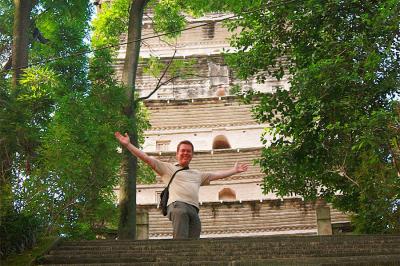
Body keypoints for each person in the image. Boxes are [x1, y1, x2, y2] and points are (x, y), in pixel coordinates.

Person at [114, 131, 249, 239]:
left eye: (188, 151)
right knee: (181, 241)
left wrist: (234, 170)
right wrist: (128, 145)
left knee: (194, 239)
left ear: (192, 155)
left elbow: (215, 175)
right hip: (178, 206)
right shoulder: (168, 168)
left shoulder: (197, 174)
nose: (185, 153)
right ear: (177, 154)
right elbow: (147, 159)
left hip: (194, 209)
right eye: (182, 150)